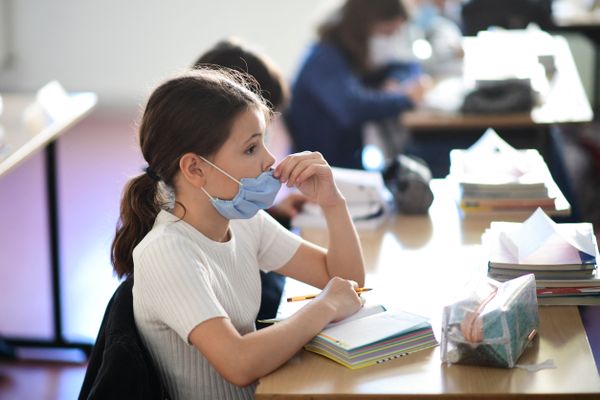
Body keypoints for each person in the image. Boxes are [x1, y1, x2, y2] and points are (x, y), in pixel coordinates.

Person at [110, 68, 366, 399]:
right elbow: (239, 363)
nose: (270, 160)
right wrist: (325, 306)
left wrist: (332, 202)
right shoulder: (167, 252)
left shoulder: (243, 222)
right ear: (195, 169)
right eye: (251, 149)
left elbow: (347, 282)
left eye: (264, 144)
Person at [193, 38, 307, 328]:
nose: (270, 160)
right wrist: (320, 311)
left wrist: (276, 212)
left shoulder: (228, 206)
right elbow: (239, 353)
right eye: (252, 146)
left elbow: (344, 274)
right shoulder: (175, 239)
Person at [287, 0, 430, 170]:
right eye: (387, 33)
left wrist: (395, 81)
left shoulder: (348, 57)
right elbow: (351, 108)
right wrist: (405, 98)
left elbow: (407, 67)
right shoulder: (324, 58)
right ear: (364, 25)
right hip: (325, 169)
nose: (390, 41)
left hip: (344, 163)